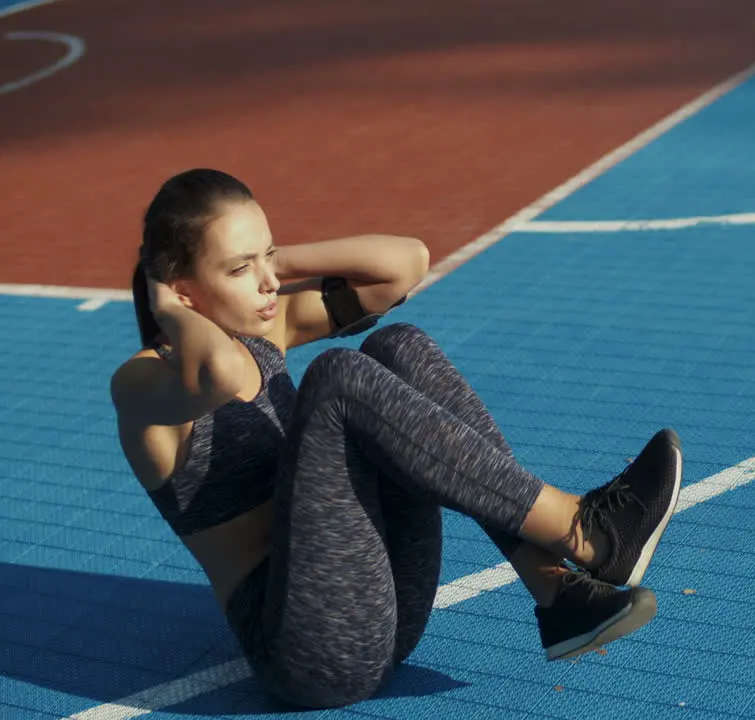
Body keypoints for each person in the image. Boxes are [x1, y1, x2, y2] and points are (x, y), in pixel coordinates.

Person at [109, 168, 684, 709]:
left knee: (397, 345)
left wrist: (271, 260)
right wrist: (170, 309)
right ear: (182, 293)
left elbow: (404, 264)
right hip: (308, 653)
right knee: (337, 378)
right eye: (240, 270)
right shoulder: (142, 386)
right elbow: (217, 375)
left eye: (268, 256)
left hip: (385, 608)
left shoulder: (265, 325)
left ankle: (554, 590)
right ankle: (581, 529)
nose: (268, 283)